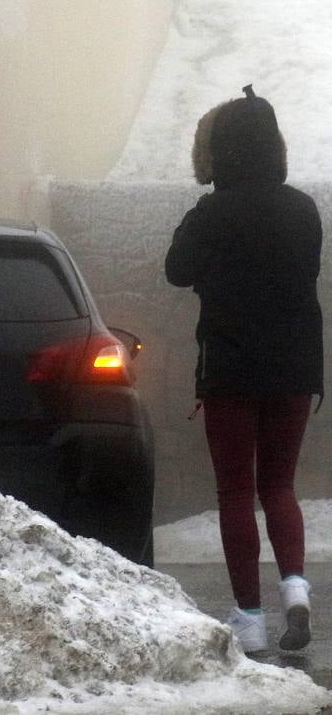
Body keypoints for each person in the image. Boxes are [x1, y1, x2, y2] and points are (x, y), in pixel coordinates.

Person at [165, 85, 322, 654]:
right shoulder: (303, 209)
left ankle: (249, 619)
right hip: (296, 368)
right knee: (279, 485)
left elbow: (176, 270)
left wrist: (206, 208)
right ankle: (297, 592)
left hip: (231, 367)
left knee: (235, 490)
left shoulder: (213, 213)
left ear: (221, 152)